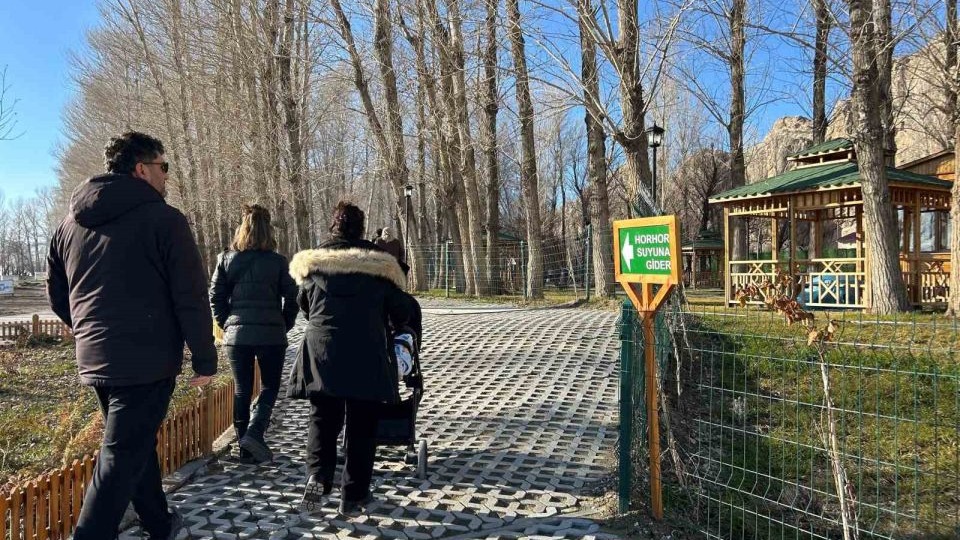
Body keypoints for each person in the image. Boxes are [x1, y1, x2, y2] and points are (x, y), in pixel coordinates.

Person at [46, 131, 216, 540]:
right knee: (120, 457)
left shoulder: (68, 226)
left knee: (132, 447)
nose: (166, 175)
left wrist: (89, 330)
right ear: (142, 169)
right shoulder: (165, 220)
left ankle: (159, 522)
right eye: (163, 167)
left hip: (97, 359)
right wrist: (204, 357)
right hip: (147, 361)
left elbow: (57, 294)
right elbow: (190, 295)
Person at [288, 201, 413, 516]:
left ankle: (317, 478)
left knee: (322, 419)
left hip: (322, 351)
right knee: (362, 424)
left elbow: (305, 305)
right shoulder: (380, 266)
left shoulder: (314, 264)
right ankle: (353, 497)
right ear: (361, 229)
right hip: (366, 352)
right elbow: (401, 310)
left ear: (334, 227)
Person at [210, 204, 298, 463]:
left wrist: (227, 323)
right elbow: (293, 297)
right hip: (271, 334)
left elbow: (215, 296)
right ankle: (255, 432)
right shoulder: (278, 262)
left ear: (242, 229)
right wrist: (283, 323)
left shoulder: (226, 259)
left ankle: (244, 447)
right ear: (269, 231)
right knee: (270, 386)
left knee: (242, 390)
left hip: (238, 336)